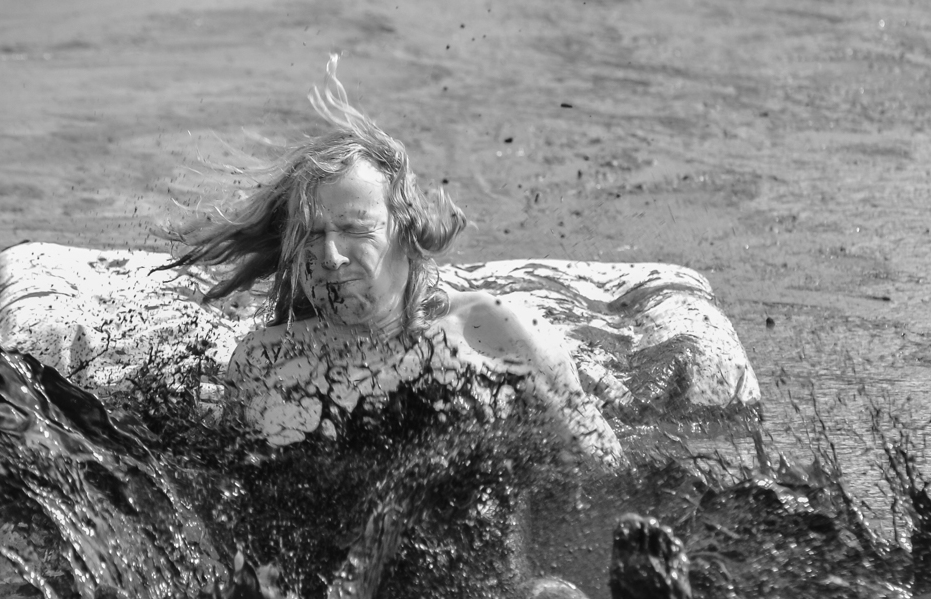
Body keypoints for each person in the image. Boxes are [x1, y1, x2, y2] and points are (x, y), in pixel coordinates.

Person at [166, 56, 622, 467]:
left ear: (407, 233)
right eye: (311, 235)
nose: (330, 255)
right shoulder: (262, 361)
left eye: (356, 229)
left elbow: (605, 470)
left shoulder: (494, 331)